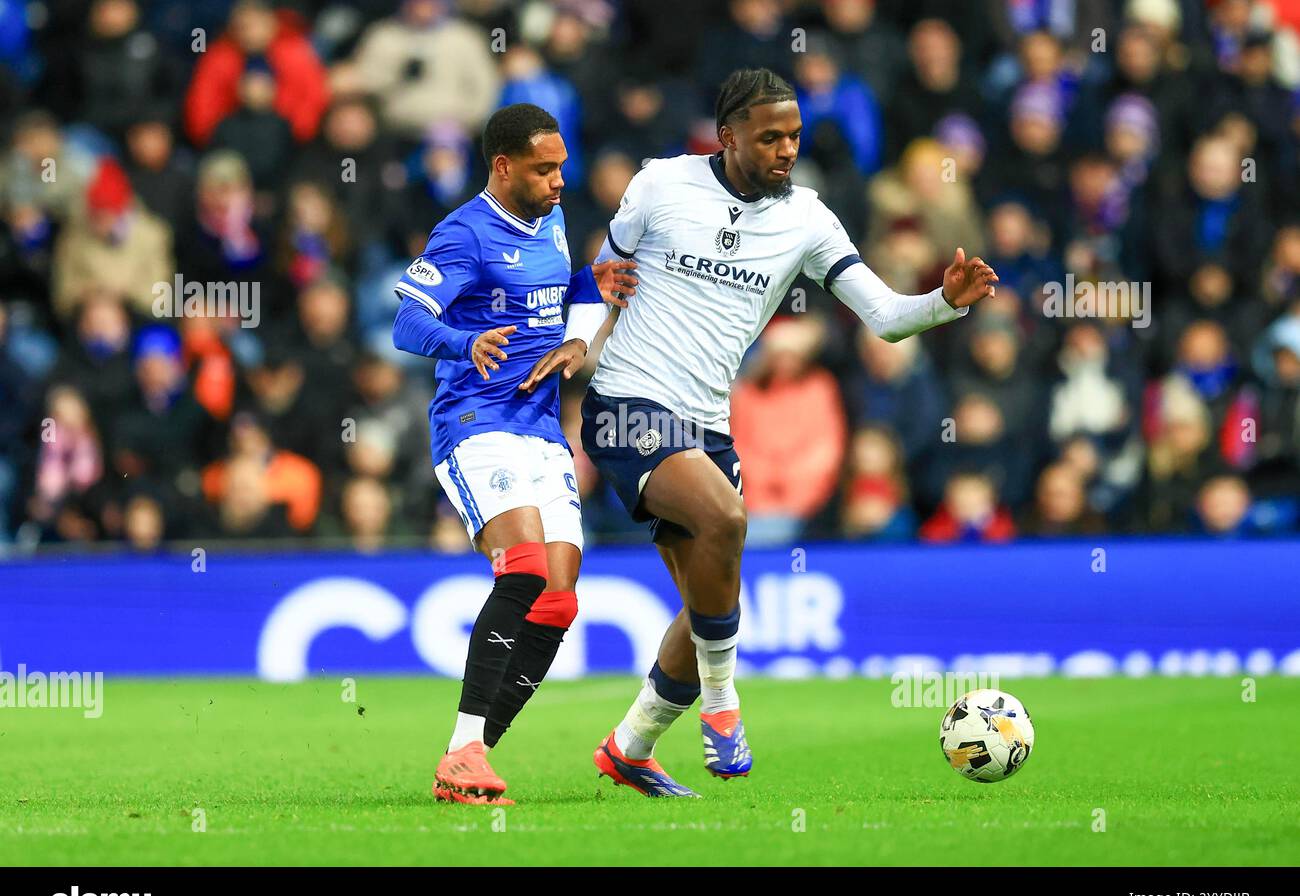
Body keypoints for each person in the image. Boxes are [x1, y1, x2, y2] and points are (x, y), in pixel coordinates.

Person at [519, 68, 998, 797]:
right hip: (628, 405)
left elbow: (887, 318)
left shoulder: (809, 217)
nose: (785, 150)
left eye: (795, 137)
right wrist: (583, 343)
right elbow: (602, 274)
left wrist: (945, 302)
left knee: (707, 608)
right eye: (770, 137)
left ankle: (629, 747)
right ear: (729, 134)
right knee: (730, 519)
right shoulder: (661, 184)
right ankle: (723, 706)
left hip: (709, 426)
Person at [391, 103, 636, 805]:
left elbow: (581, 285)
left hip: (538, 426)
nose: (560, 180)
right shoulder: (463, 232)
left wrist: (578, 338)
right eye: (544, 169)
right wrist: (464, 343)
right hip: (475, 421)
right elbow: (408, 318)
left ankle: (466, 755)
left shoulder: (552, 220)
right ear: (503, 167)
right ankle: (465, 749)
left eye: (562, 166)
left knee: (558, 599)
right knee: (524, 568)